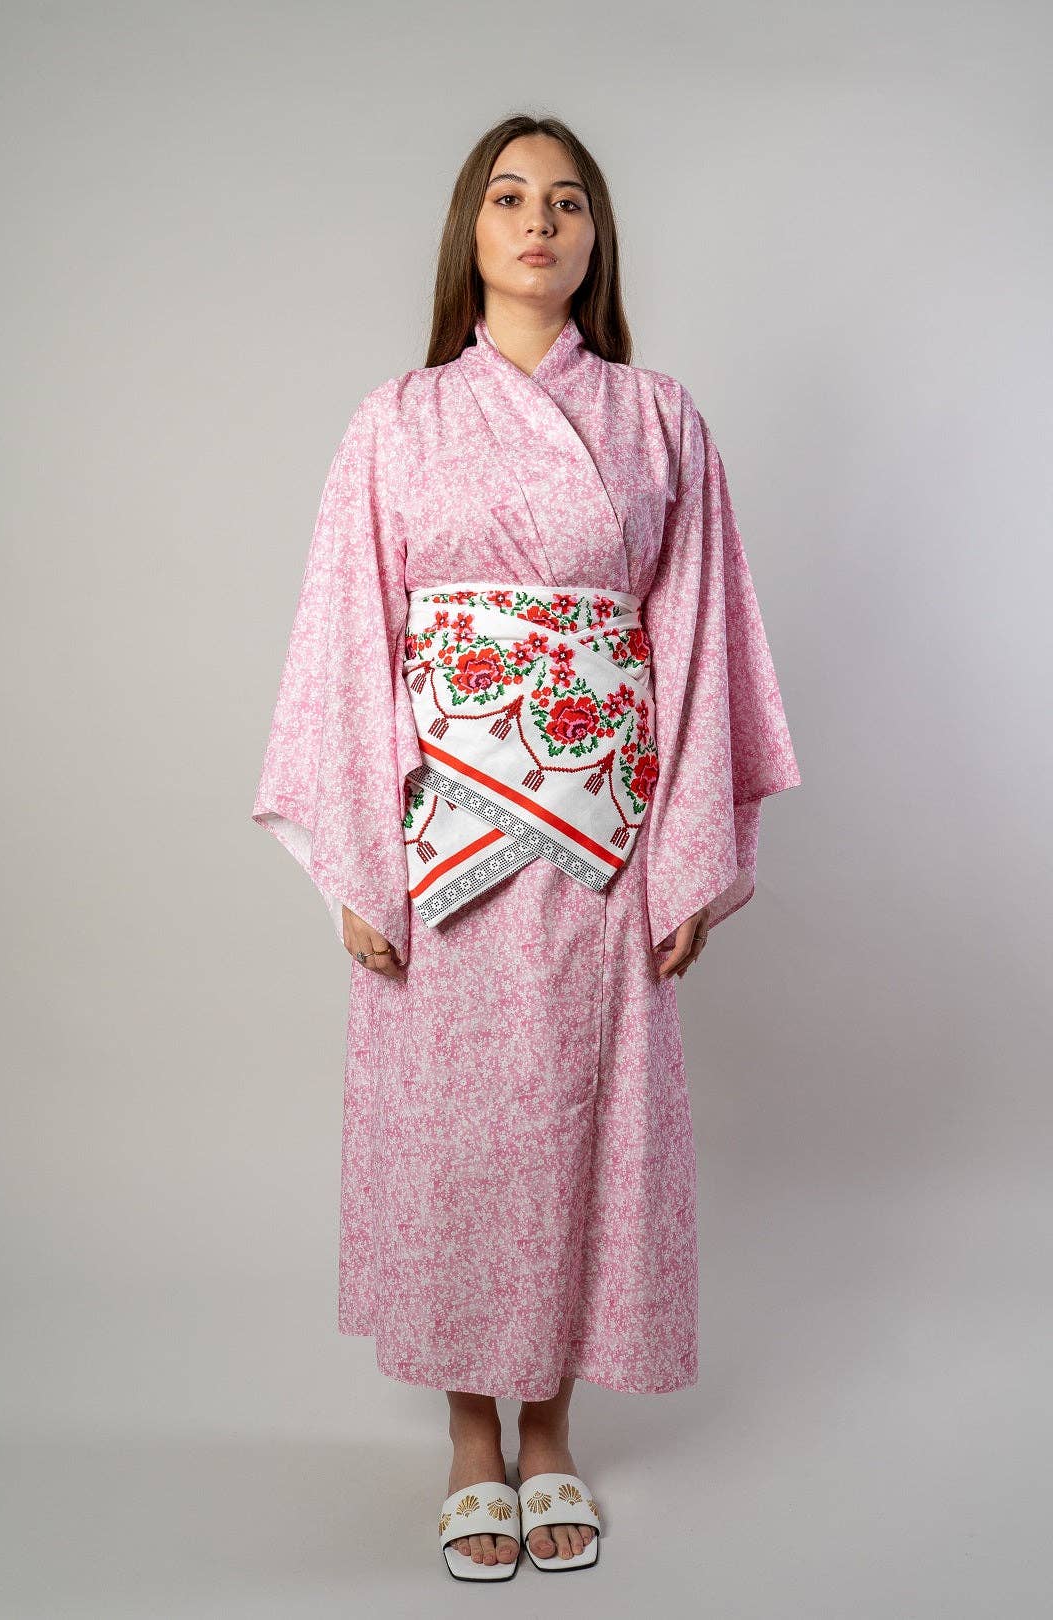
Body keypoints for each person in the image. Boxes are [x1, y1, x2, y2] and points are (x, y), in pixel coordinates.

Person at [251, 113, 801, 1581]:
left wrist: (685, 853)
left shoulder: (660, 419)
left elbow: (696, 637)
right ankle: (466, 1439)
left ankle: (548, 1431)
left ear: (595, 236)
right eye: (509, 197)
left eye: (566, 200)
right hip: (440, 839)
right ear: (471, 230)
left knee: (576, 1125)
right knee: (454, 1135)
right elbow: (348, 636)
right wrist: (362, 860)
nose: (538, 221)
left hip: (601, 840)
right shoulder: (395, 421)